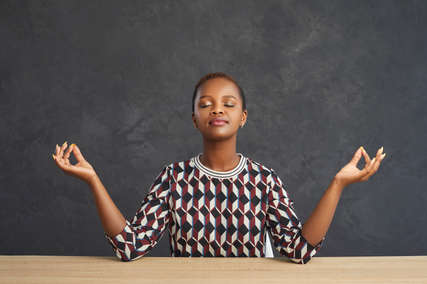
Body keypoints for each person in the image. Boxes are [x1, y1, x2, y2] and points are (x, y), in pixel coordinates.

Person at [52, 72, 386, 264]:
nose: (217, 109)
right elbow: (129, 247)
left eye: (228, 103)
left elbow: (298, 251)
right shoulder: (173, 178)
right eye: (205, 104)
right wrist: (93, 180)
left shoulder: (263, 180)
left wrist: (338, 184)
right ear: (194, 119)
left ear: (242, 117)